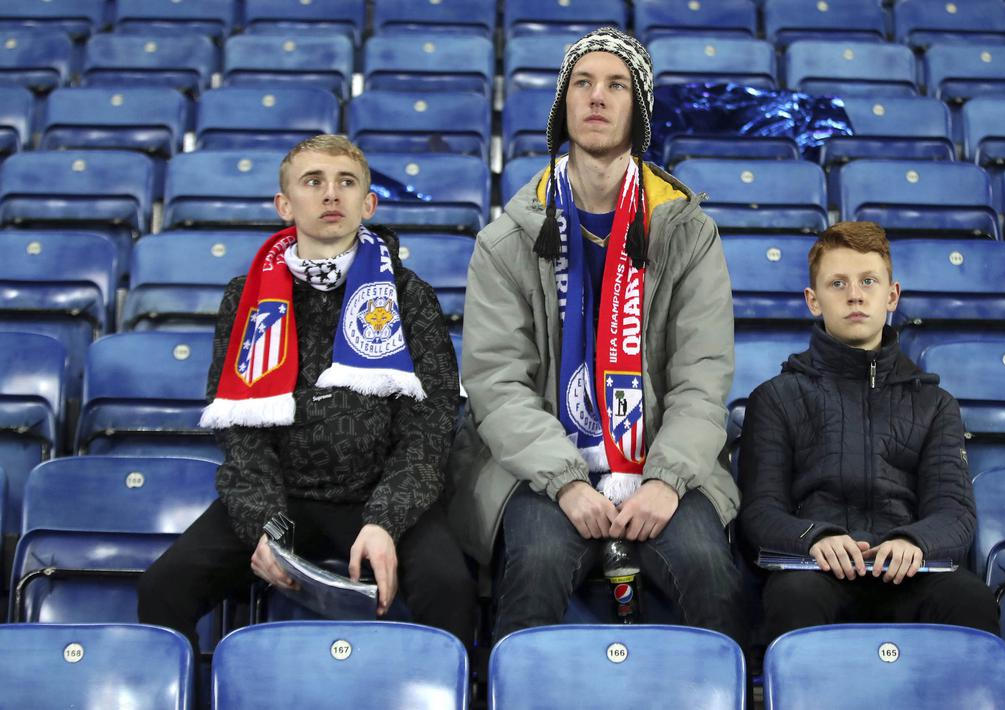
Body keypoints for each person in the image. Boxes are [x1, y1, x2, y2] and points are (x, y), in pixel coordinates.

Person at [448, 27, 745, 644]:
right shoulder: (507, 240)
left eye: (616, 85)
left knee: (712, 572)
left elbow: (702, 378)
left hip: (663, 462)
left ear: (637, 110)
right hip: (540, 470)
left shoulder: (687, 234)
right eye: (583, 83)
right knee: (534, 565)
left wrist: (666, 479)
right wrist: (565, 482)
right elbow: (496, 384)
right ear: (564, 105)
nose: (597, 97)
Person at [138, 135, 476, 651]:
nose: (330, 195)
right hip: (284, 495)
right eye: (313, 182)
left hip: (378, 492)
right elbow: (239, 428)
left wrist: (385, 521)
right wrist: (265, 525)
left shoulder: (410, 296)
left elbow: (428, 432)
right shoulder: (246, 297)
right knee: (162, 588)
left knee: (450, 587)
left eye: (346, 183)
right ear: (284, 204)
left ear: (369, 203)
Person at [738, 221, 999, 640]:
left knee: (970, 601)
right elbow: (759, 512)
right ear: (813, 301)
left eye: (868, 281)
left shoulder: (935, 404)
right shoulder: (775, 397)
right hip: (816, 570)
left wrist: (914, 541)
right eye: (837, 283)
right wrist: (814, 537)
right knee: (791, 600)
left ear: (891, 296)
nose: (854, 294)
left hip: (907, 570)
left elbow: (955, 512)